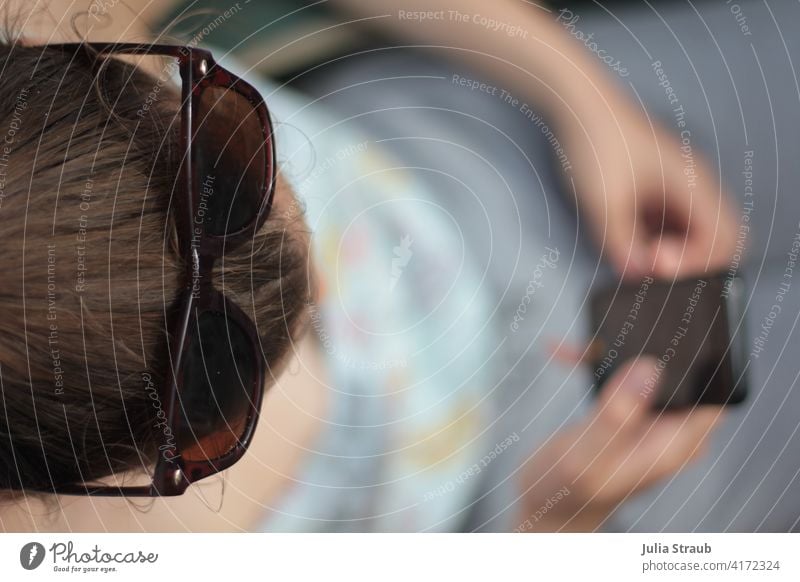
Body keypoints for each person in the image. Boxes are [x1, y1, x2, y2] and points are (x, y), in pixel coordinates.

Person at [0, 0, 735, 532]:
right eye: (221, 373)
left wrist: (583, 97)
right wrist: (558, 525)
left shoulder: (47, 18)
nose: (322, 274)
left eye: (231, 161)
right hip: (514, 483)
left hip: (472, 157)